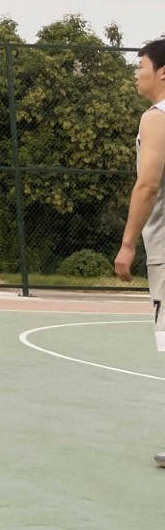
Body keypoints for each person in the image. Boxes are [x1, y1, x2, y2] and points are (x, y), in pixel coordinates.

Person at [113, 37, 165, 467]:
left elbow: (147, 184)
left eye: (141, 65)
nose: (136, 73)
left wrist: (128, 243)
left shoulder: (156, 117)